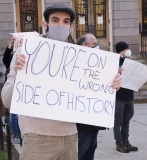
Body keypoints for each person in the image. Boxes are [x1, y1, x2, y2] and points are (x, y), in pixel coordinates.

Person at [1, 3, 121, 159]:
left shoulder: (80, 58)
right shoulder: (25, 52)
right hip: (37, 138)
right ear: (46, 24)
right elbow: (7, 101)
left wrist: (110, 83)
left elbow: (91, 93)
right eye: (55, 20)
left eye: (65, 22)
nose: (61, 25)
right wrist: (17, 73)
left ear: (70, 27)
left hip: (70, 136)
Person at [76, 33, 121, 160]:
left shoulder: (99, 64)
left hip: (95, 119)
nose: (97, 47)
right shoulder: (76, 64)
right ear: (83, 46)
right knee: (81, 151)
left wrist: (113, 78)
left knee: (90, 150)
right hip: (82, 121)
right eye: (94, 45)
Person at [113, 41, 138, 153]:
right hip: (119, 96)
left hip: (129, 96)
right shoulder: (114, 62)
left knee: (126, 120)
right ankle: (119, 144)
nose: (129, 50)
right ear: (122, 50)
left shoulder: (129, 62)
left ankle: (126, 141)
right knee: (118, 121)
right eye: (127, 48)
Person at [2, 36, 20, 144]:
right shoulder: (10, 58)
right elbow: (4, 59)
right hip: (12, 87)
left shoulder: (23, 55)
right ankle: (15, 134)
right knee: (13, 113)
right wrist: (10, 44)